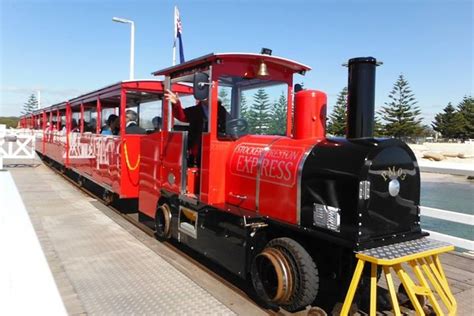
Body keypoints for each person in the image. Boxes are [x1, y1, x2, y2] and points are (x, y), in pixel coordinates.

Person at [164, 89, 230, 165]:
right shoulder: (195, 110)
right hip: (199, 148)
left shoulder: (221, 110)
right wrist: (176, 103)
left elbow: (230, 122)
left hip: (218, 145)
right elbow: (182, 116)